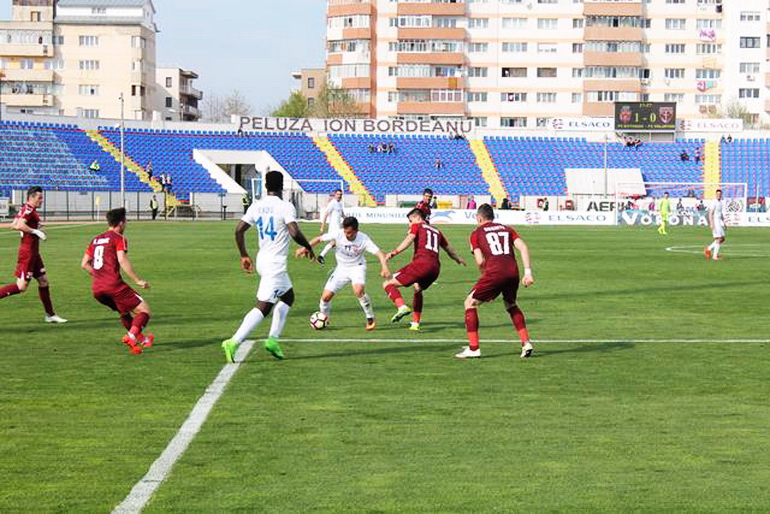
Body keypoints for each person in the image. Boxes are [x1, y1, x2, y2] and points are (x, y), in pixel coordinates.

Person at [221, 171, 315, 363]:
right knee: (264, 306)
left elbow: (239, 230)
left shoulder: (257, 206)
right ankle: (233, 341)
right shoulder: (285, 206)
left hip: (263, 260)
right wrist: (307, 246)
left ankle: (273, 339)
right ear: (282, 186)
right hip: (275, 264)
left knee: (288, 296)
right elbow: (294, 232)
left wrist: (244, 255)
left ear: (265, 186)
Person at [456, 204, 534, 359]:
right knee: (510, 304)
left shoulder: (476, 233)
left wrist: (485, 278)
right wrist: (528, 273)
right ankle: (526, 343)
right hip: (513, 272)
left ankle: (473, 348)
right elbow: (523, 247)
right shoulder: (507, 229)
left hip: (494, 273)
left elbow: (479, 261)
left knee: (469, 303)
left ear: (479, 218)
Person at [297, 216, 390, 331]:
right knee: (325, 297)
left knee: (358, 290)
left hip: (357, 267)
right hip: (341, 269)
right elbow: (319, 239)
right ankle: (323, 318)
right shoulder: (339, 234)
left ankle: (370, 318)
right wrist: (304, 248)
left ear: (356, 230)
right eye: (345, 232)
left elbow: (379, 253)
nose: (347, 235)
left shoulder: (363, 239)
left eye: (350, 233)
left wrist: (384, 267)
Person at [81, 208, 153, 354]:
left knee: (124, 311)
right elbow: (122, 259)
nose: (126, 224)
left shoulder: (95, 239)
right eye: (126, 221)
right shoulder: (118, 238)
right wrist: (137, 280)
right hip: (113, 285)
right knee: (144, 310)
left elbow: (84, 264)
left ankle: (143, 340)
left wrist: (100, 276)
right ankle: (131, 336)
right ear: (121, 223)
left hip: (97, 289)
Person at [383, 208, 466, 331]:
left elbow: (409, 239)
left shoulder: (417, 226)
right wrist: (458, 259)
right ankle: (415, 323)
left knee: (388, 283)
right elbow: (449, 249)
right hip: (435, 269)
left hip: (422, 264)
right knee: (417, 288)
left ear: (417, 218)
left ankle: (401, 307)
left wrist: (394, 252)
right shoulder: (437, 231)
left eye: (410, 221)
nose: (410, 224)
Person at [0, 186, 67, 323]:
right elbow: (18, 225)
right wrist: (35, 231)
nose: (41, 200)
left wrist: (33, 228)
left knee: (43, 282)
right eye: (39, 198)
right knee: (21, 287)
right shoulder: (29, 209)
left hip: (34, 253)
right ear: (31, 197)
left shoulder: (26, 209)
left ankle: (50, 315)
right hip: (28, 253)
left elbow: (14, 224)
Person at [317, 189, 346, 266]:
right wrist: (322, 226)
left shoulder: (340, 203)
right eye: (338, 194)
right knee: (336, 242)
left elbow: (342, 214)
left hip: (338, 227)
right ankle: (321, 256)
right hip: (333, 227)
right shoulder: (332, 203)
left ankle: (322, 256)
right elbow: (326, 214)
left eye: (340, 194)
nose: (339, 196)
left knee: (336, 244)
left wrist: (348, 220)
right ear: (334, 194)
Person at [705, 189, 726, 261]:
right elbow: (710, 213)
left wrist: (724, 223)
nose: (719, 195)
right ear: (715, 195)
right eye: (717, 194)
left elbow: (720, 213)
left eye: (720, 194)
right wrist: (711, 224)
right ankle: (714, 256)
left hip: (719, 221)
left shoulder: (721, 202)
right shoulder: (714, 202)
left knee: (722, 239)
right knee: (719, 238)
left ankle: (709, 249)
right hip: (715, 221)